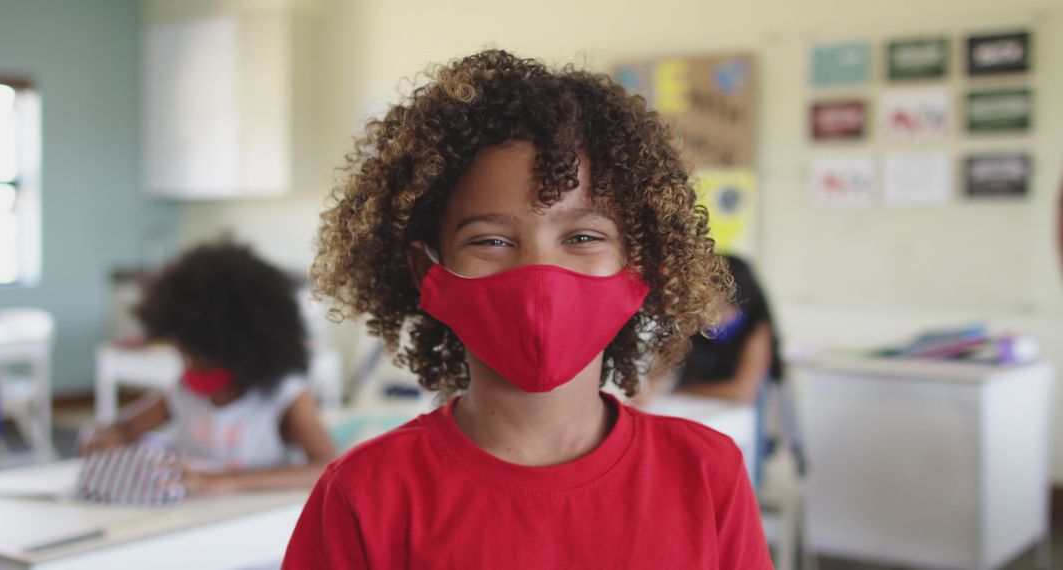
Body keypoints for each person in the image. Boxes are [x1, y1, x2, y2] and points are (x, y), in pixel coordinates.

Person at [283, 50, 771, 568]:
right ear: (427, 270)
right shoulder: (363, 495)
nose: (539, 274)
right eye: (491, 241)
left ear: (640, 264)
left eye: (582, 236)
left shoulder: (707, 473)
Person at [79, 241, 338, 495]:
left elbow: (325, 469)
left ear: (237, 348)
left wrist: (227, 481)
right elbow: (124, 428)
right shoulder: (184, 391)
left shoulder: (286, 395)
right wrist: (103, 437)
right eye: (183, 354)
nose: (189, 366)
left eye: (198, 357)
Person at [677, 255, 783, 404]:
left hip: (740, 417)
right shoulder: (696, 326)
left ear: (743, 300)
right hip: (701, 407)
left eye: (722, 304)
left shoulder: (757, 330)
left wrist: (681, 391)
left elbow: (742, 392)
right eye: (707, 303)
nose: (711, 315)